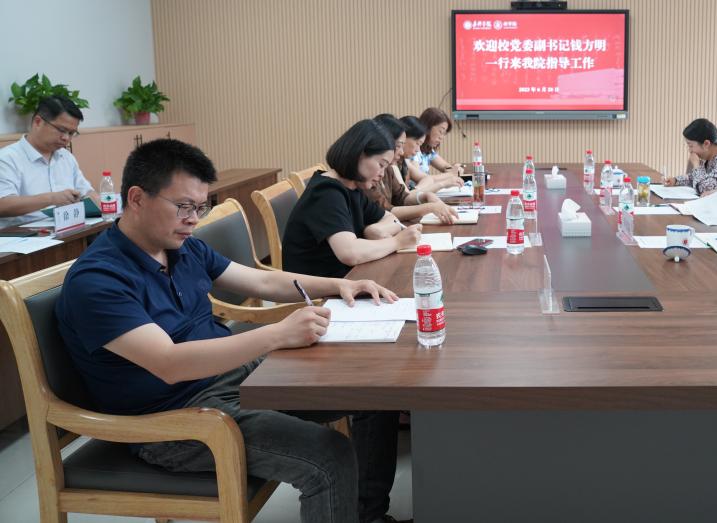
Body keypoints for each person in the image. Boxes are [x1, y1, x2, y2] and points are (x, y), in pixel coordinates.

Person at [55, 138, 406, 523]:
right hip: (172, 420)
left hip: (229, 377)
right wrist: (277, 334)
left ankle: (367, 515)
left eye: (200, 207)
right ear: (137, 198)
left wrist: (340, 285)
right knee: (328, 457)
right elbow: (169, 363)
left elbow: (262, 281)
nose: (193, 219)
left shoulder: (182, 246)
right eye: (184, 206)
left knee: (372, 391)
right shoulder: (98, 279)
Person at [282, 120, 422, 279]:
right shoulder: (326, 192)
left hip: (345, 279)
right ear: (359, 154)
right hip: (317, 289)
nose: (382, 174)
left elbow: (391, 218)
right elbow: (349, 253)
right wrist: (397, 242)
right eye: (381, 164)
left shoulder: (353, 188)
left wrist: (373, 230)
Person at [0, 95, 99, 227]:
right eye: (62, 130)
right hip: (24, 234)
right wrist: (51, 199)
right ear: (38, 122)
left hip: (69, 230)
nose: (66, 138)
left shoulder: (66, 157)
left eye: (71, 133)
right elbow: (3, 204)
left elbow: (87, 192)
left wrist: (98, 202)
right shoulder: (7, 158)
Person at [368, 114, 459, 224]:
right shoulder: (369, 173)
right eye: (398, 145)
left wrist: (424, 196)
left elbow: (402, 198)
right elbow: (384, 211)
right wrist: (429, 207)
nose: (401, 151)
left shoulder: (389, 168)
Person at [663, 118, 717, 196]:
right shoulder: (708, 157)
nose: (690, 150)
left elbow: (705, 189)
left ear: (706, 144)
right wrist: (675, 180)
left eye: (691, 146)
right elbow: (696, 178)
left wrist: (696, 165)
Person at [397, 115, 461, 193]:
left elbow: (428, 178)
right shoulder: (394, 164)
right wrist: (443, 183)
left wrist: (452, 171)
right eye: (440, 132)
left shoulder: (405, 161)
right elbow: (406, 196)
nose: (441, 137)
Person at [415, 107, 463, 177]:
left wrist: (455, 168)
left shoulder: (427, 149)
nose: (441, 137)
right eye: (440, 131)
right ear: (427, 127)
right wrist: (449, 174)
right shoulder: (414, 150)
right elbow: (421, 178)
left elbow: (445, 166)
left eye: (444, 133)